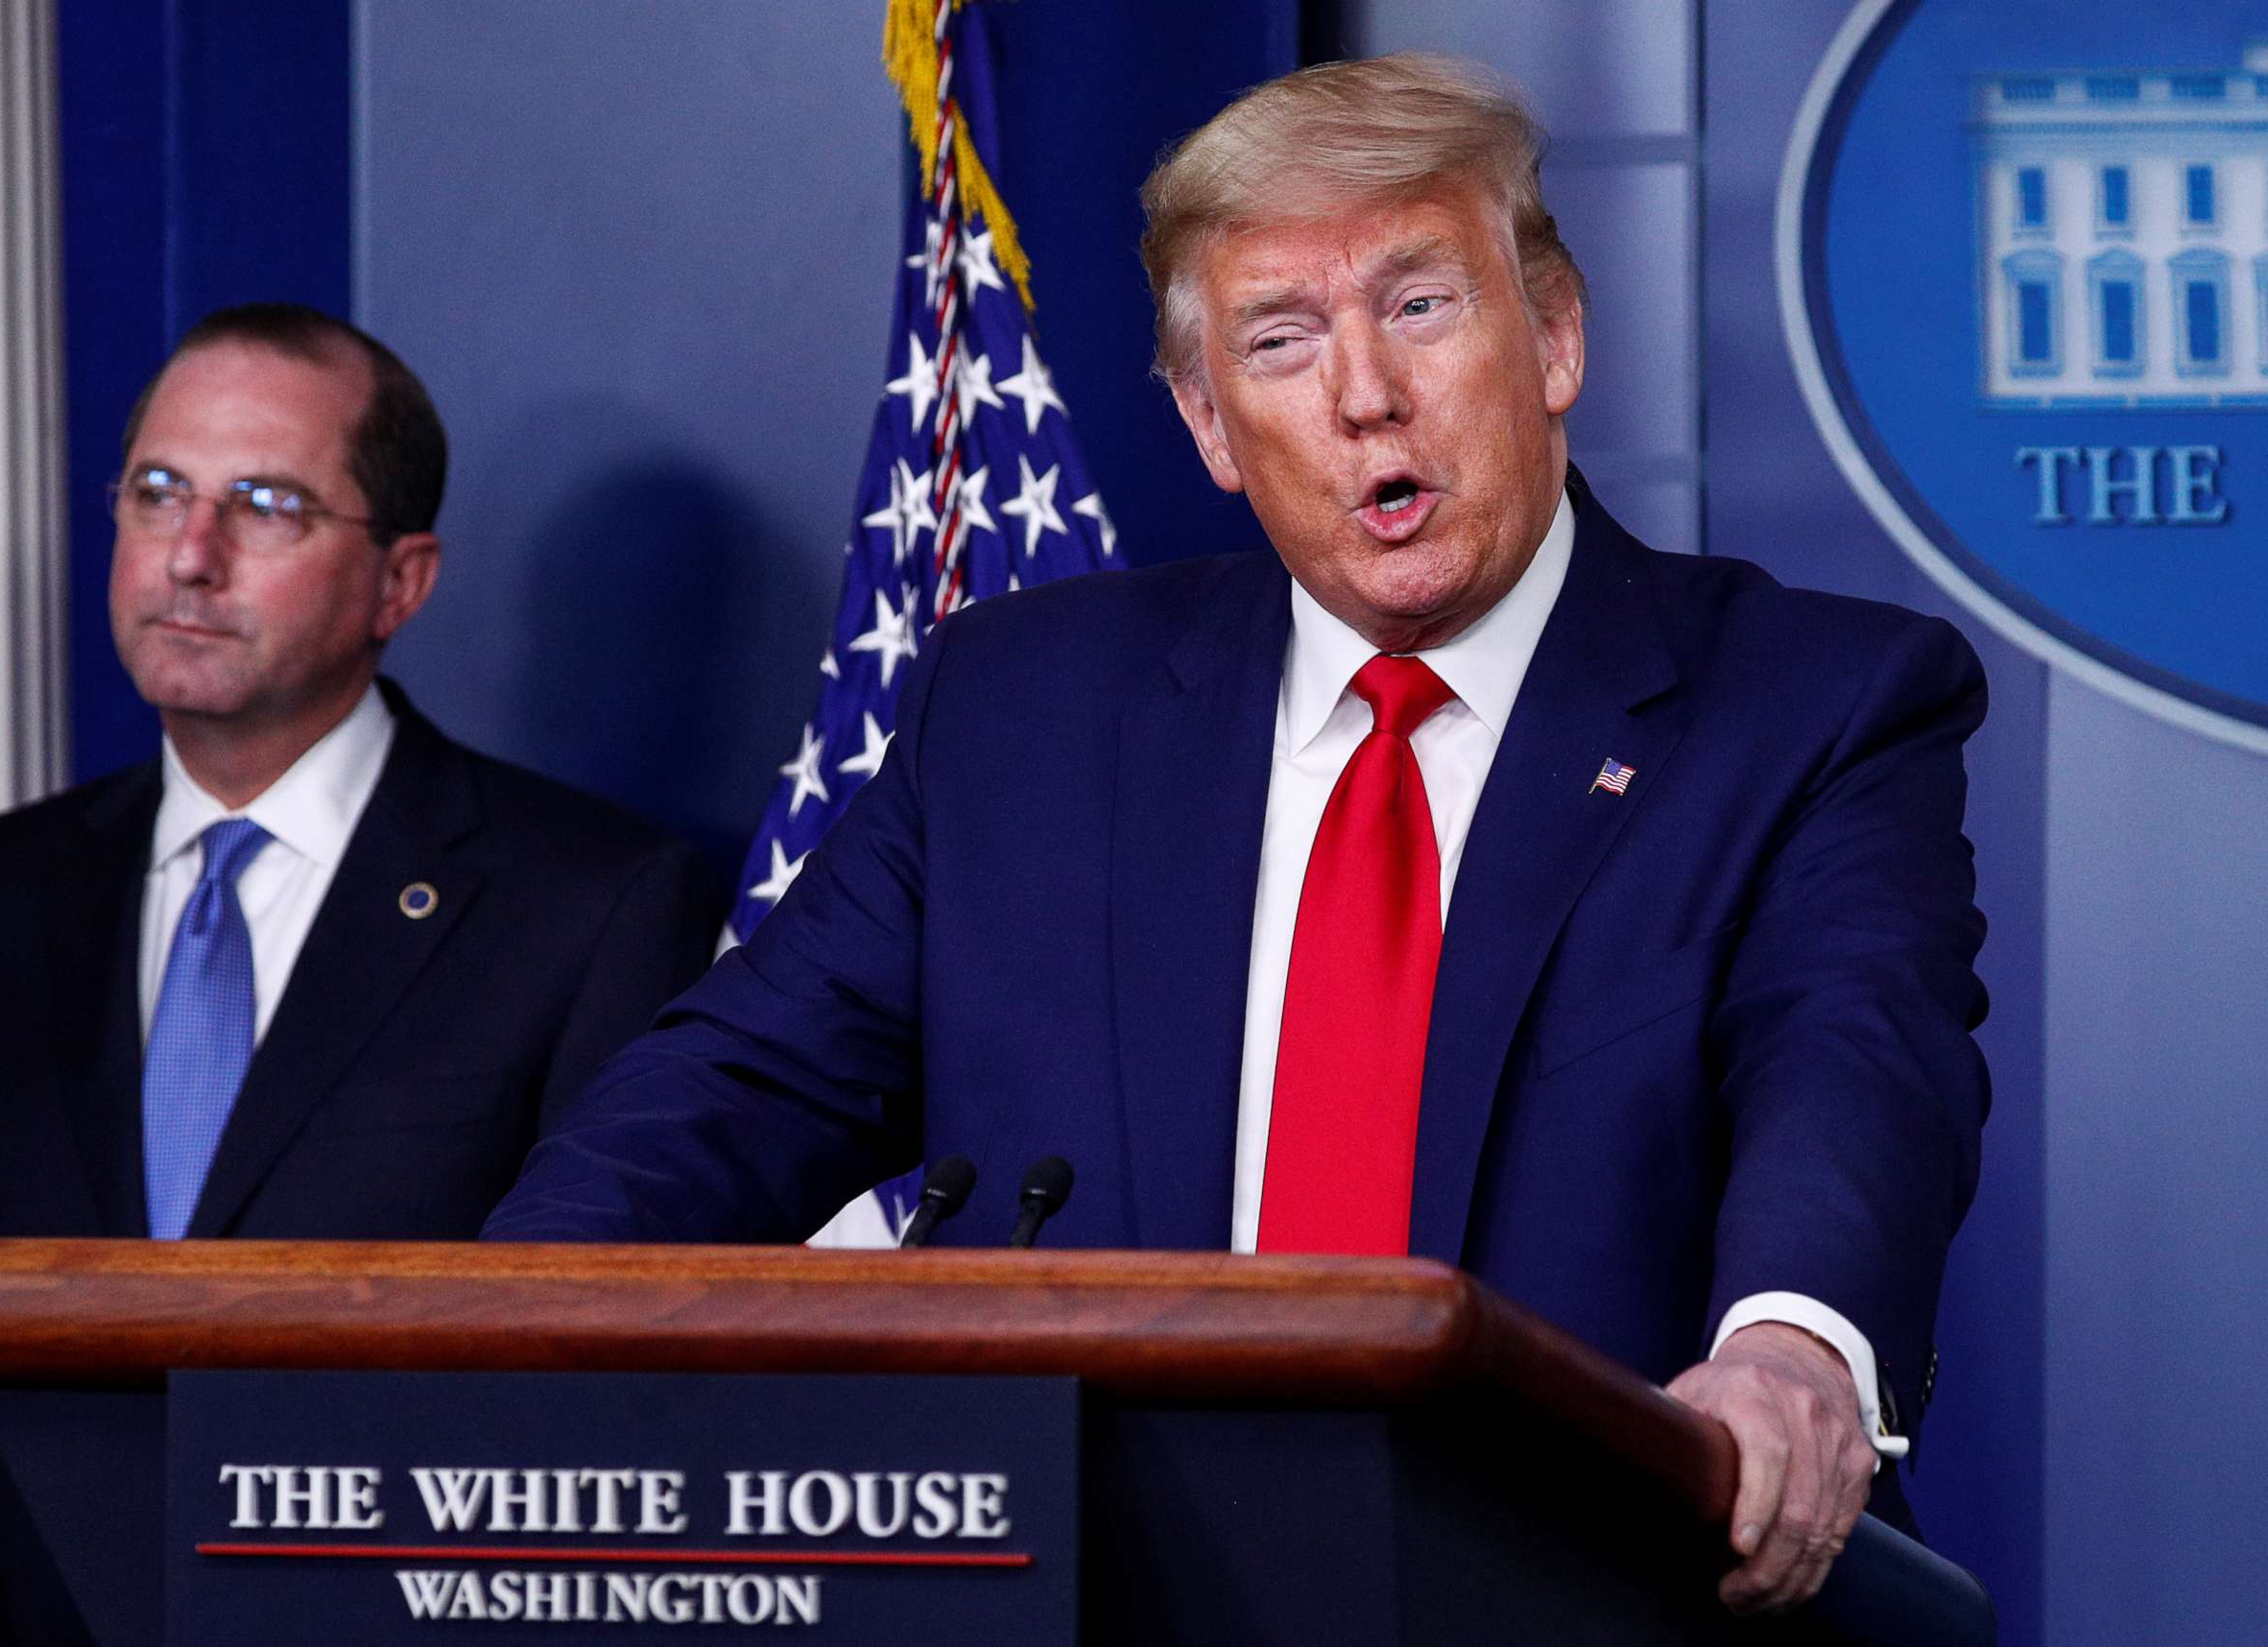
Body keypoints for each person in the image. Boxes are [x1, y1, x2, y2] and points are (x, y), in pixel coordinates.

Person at [485, 56, 1990, 1613]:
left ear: (1552, 337)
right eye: (1282, 341)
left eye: (1419, 307)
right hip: (1084, 1590)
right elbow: (737, 1087)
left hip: (1587, 1590)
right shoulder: (1021, 710)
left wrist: (1795, 1348)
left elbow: (1857, 1059)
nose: (1363, 395)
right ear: (1210, 424)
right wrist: (467, 1345)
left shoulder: (1812, 705)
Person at [0, 302, 722, 1645]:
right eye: (158, 491)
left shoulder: (590, 904)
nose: (189, 554)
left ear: (401, 582)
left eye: (269, 504)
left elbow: (589, 1409)